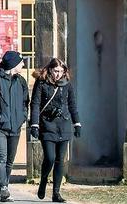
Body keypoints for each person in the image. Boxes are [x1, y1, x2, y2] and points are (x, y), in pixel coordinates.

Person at [0, 51, 30, 202]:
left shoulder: (21, 81)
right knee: (1, 158)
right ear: (13, 64)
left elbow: (25, 102)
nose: (23, 64)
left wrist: (22, 117)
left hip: (15, 127)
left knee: (9, 161)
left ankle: (5, 187)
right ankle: (3, 188)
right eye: (21, 62)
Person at [29, 58, 80, 203]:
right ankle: (44, 180)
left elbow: (72, 105)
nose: (58, 74)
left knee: (60, 160)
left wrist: (77, 123)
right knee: (50, 158)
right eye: (56, 71)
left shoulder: (67, 84)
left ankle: (56, 193)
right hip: (47, 125)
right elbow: (36, 104)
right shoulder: (42, 82)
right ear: (50, 69)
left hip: (64, 125)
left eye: (61, 71)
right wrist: (34, 125)